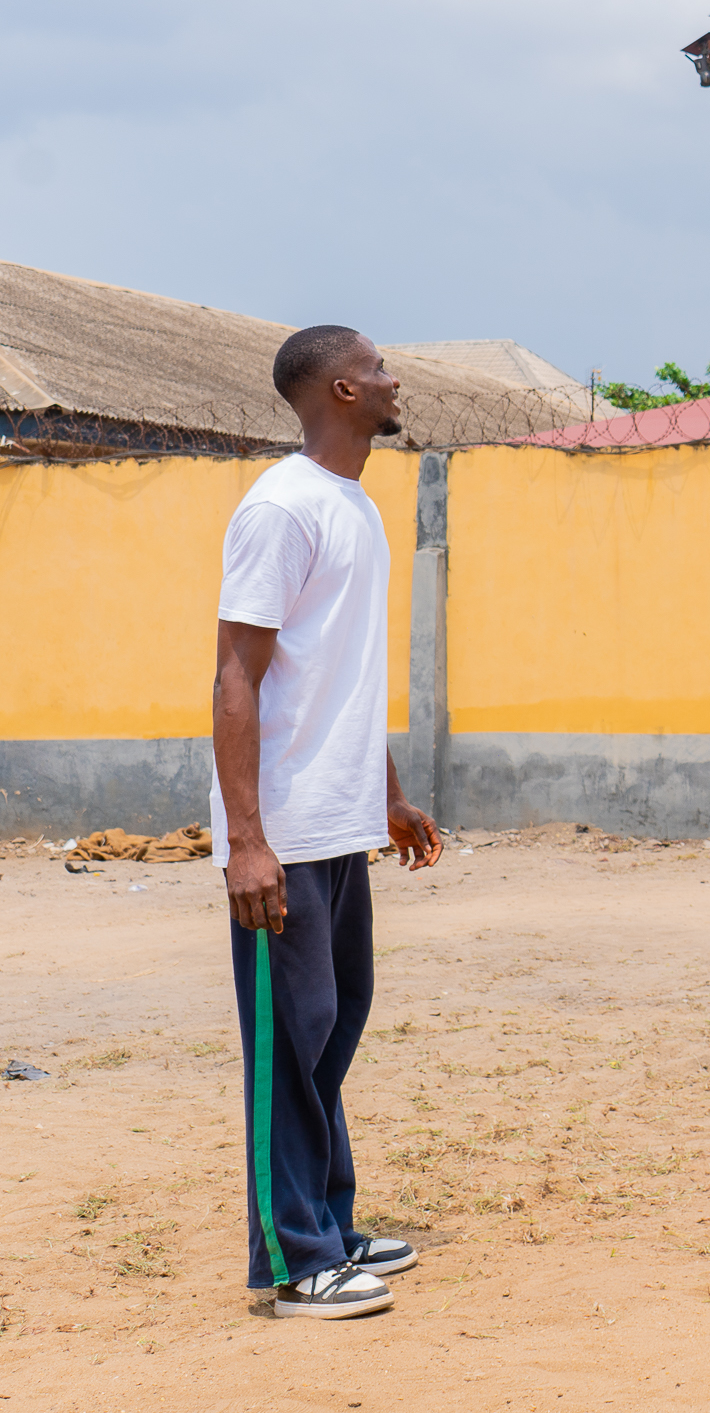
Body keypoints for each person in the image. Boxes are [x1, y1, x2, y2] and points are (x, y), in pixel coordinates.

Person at [212, 324, 443, 1321]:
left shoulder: (353, 506)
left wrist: (385, 796)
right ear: (344, 388)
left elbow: (343, 677)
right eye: (382, 366)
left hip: (339, 820)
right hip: (287, 834)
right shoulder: (279, 508)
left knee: (331, 1028)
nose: (397, 378)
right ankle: (296, 1258)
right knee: (287, 1041)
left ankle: (330, 1222)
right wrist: (248, 838)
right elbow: (236, 676)